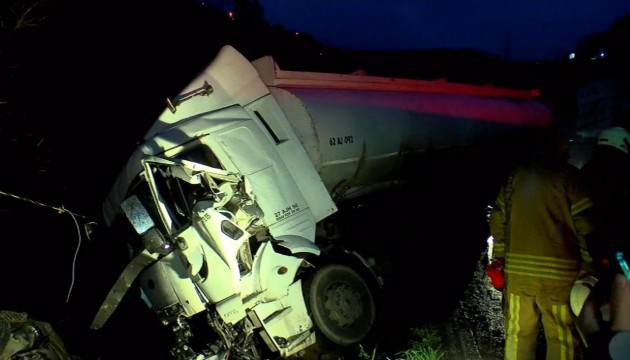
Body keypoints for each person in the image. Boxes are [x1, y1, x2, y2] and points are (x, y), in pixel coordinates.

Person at [487, 131, 595, 360]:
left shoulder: (514, 177)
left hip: (518, 273)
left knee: (518, 334)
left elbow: (498, 219)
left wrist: (500, 257)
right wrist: (586, 262)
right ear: (556, 149)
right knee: (561, 336)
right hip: (559, 275)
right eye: (566, 147)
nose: (569, 152)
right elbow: (585, 224)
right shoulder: (568, 178)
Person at [575, 126, 630, 359]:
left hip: (580, 253)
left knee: (587, 312)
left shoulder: (585, 171)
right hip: (614, 252)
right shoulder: (624, 172)